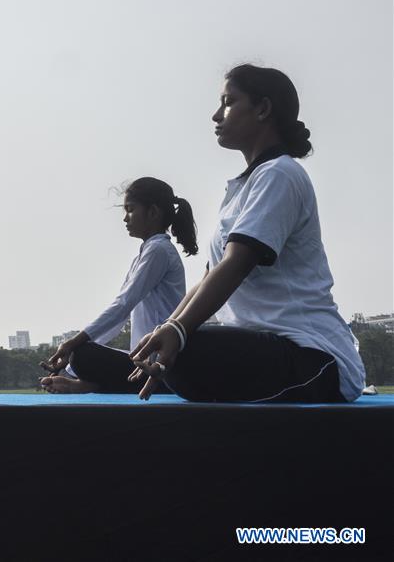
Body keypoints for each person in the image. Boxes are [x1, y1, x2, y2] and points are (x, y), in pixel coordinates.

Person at [129, 64, 365, 403]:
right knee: (165, 350)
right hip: (264, 347)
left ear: (263, 109)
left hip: (314, 357)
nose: (216, 115)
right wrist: (168, 328)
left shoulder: (280, 174)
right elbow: (210, 277)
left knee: (187, 352)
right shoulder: (244, 187)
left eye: (228, 101)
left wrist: (179, 333)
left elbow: (237, 263)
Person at [40, 177, 198, 394]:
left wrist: (73, 344)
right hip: (142, 362)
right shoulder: (146, 253)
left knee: (82, 355)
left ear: (153, 212)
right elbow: (120, 315)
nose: (125, 219)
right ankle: (88, 383)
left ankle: (90, 385)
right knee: (82, 355)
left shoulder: (159, 251)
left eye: (130, 210)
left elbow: (123, 305)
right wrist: (70, 368)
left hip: (162, 364)